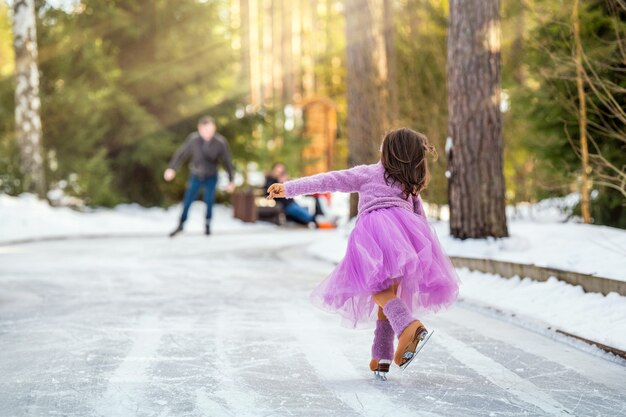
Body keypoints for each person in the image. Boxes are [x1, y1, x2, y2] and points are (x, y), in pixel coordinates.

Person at [267, 128, 459, 379]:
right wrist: (424, 253)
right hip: (405, 238)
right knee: (387, 293)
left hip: (373, 235)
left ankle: (408, 326)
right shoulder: (409, 184)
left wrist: (288, 188)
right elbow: (419, 218)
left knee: (378, 289)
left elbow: (329, 180)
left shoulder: (369, 172)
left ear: (389, 151)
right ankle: (381, 355)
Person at [164, 116, 235, 237]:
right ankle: (181, 224)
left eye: (211, 130)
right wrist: (172, 168)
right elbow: (181, 154)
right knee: (188, 201)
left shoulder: (220, 142)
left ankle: (207, 224)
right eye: (206, 130)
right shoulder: (193, 140)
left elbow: (227, 161)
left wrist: (231, 180)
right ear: (200, 128)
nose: (209, 133)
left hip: (211, 176)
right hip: (196, 175)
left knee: (209, 200)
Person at [265, 162, 317, 228]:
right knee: (305, 215)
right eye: (278, 170)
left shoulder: (282, 179)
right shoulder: (271, 180)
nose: (280, 172)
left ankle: (314, 220)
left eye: (281, 170)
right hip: (284, 205)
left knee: (305, 209)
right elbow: (269, 192)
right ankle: (317, 220)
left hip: (291, 202)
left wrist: (286, 181)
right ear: (274, 170)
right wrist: (280, 182)